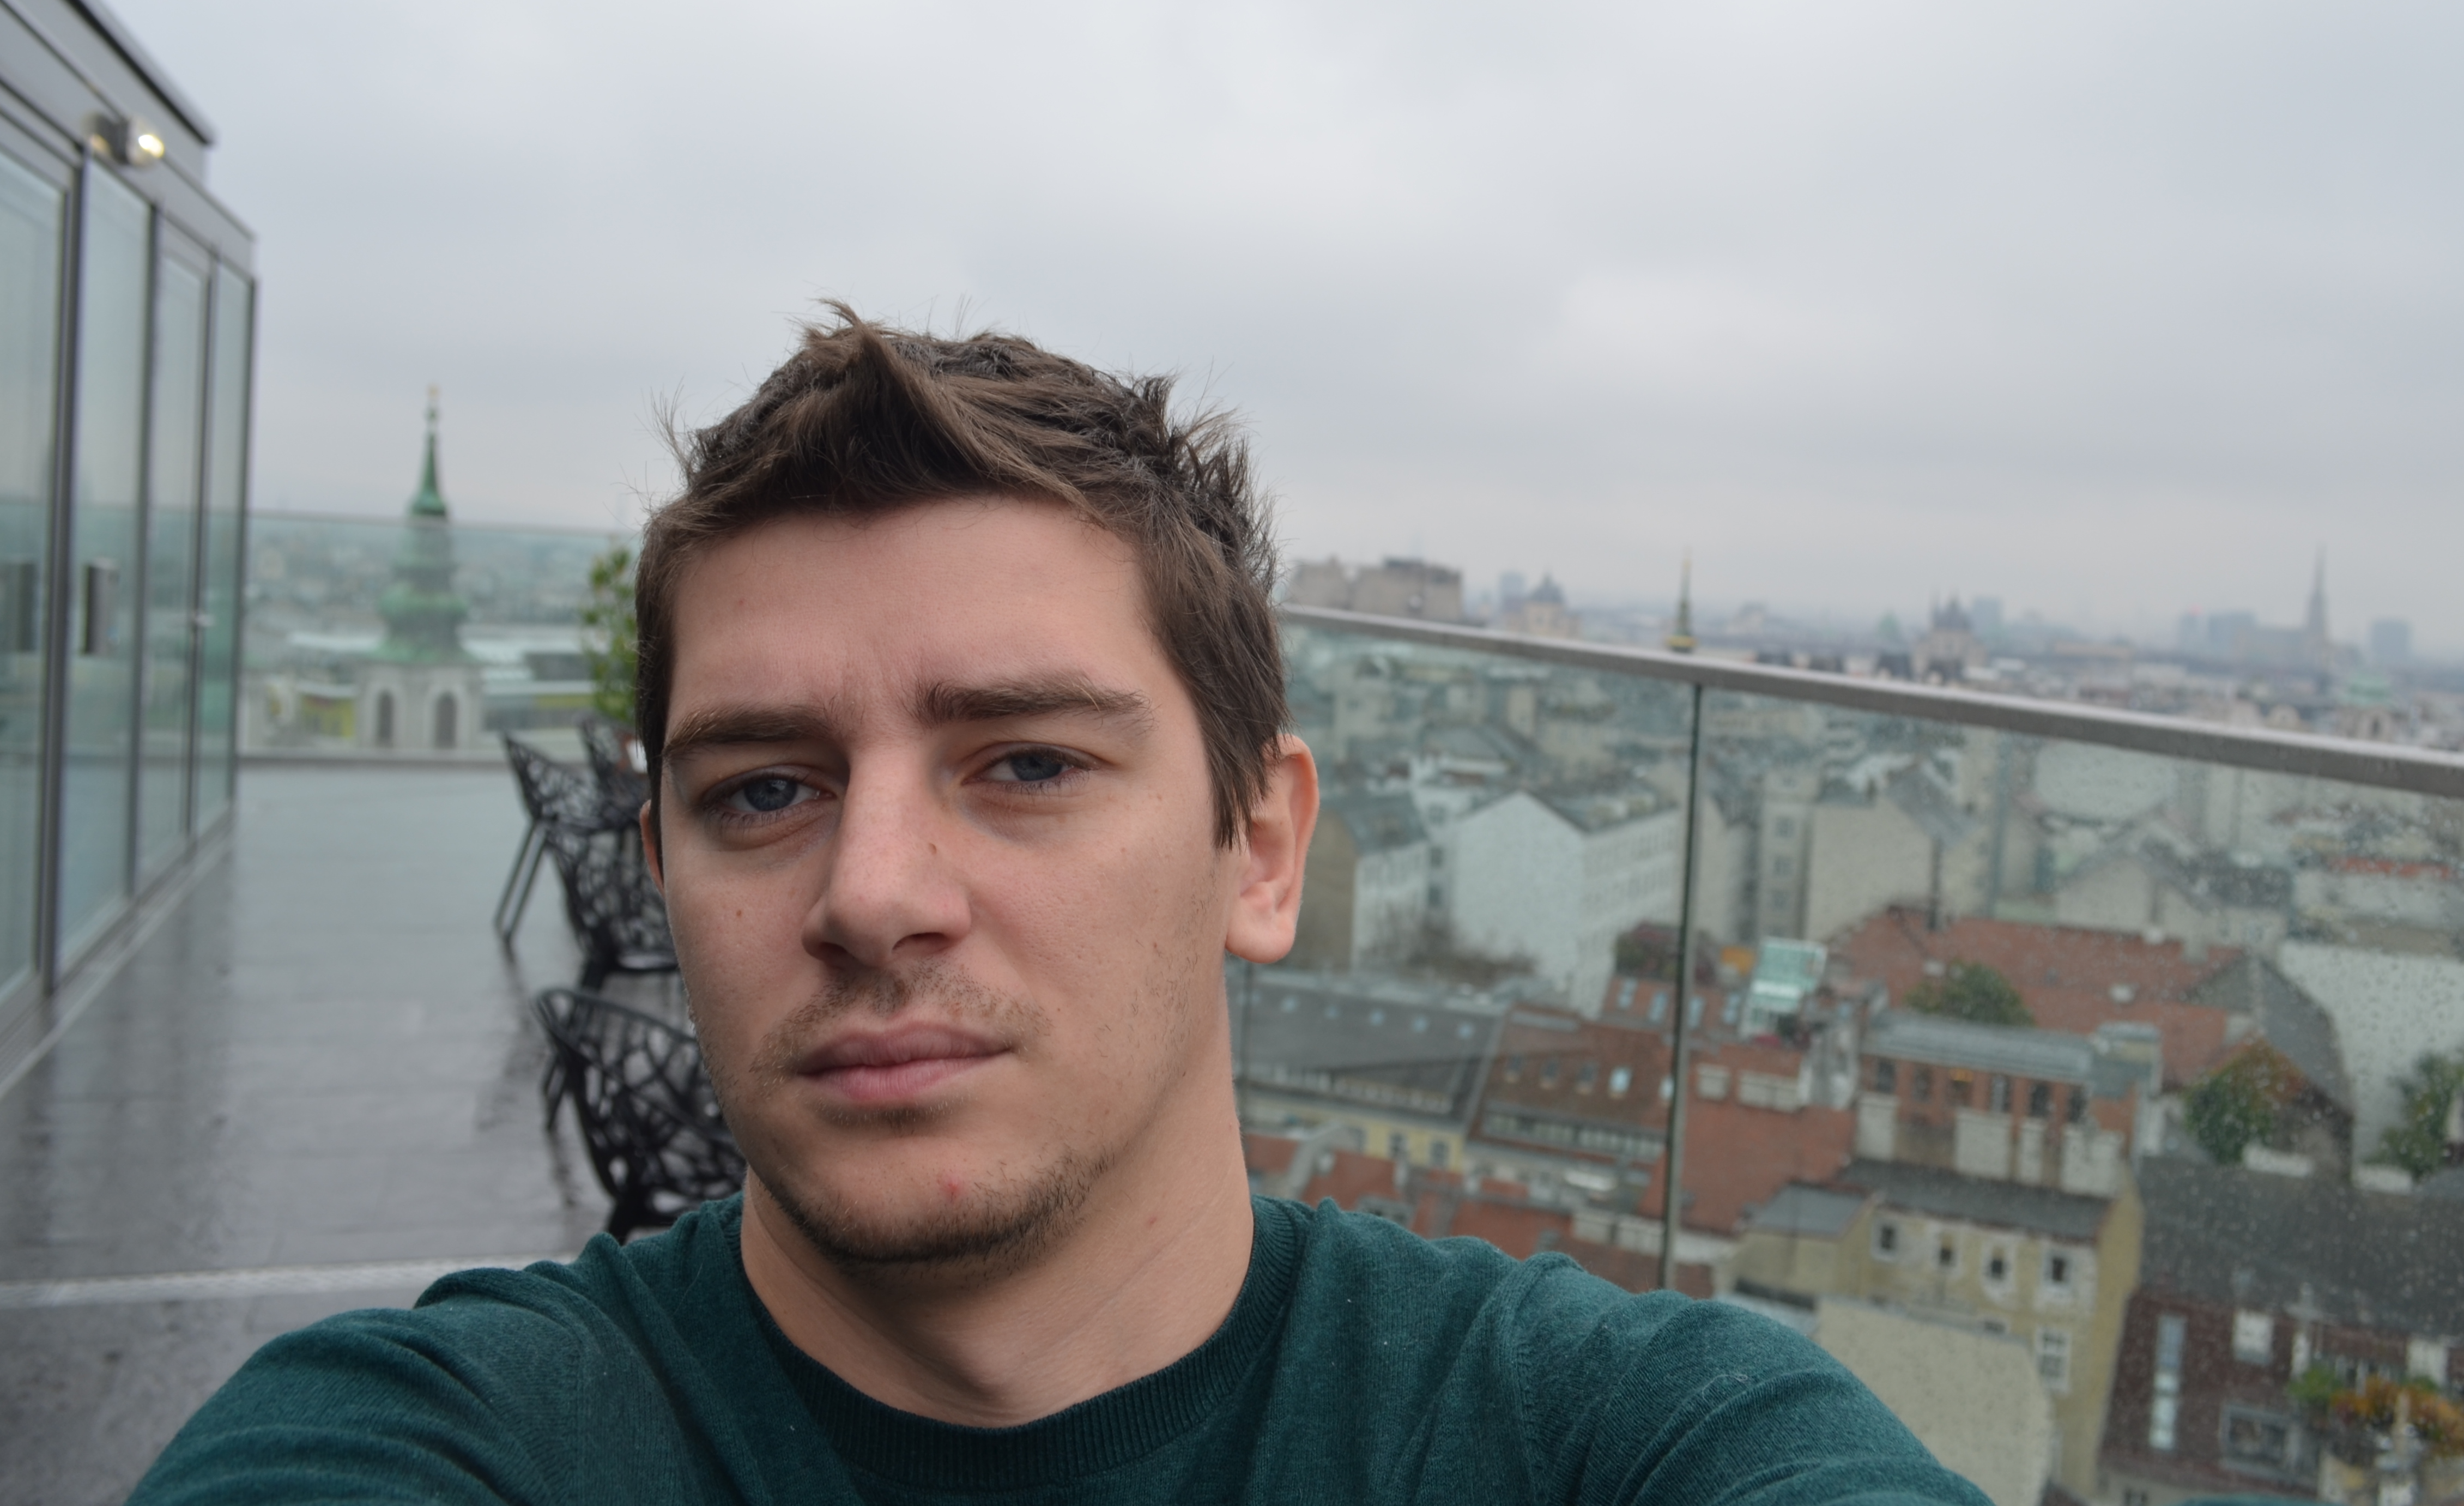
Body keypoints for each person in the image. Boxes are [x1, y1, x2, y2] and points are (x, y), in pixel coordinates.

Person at [135, 316, 1985, 1505]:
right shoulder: (442, 1439)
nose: (872, 896)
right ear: (663, 865)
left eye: (1025, 763)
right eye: (763, 790)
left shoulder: (1620, 1437)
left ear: (1262, 850)